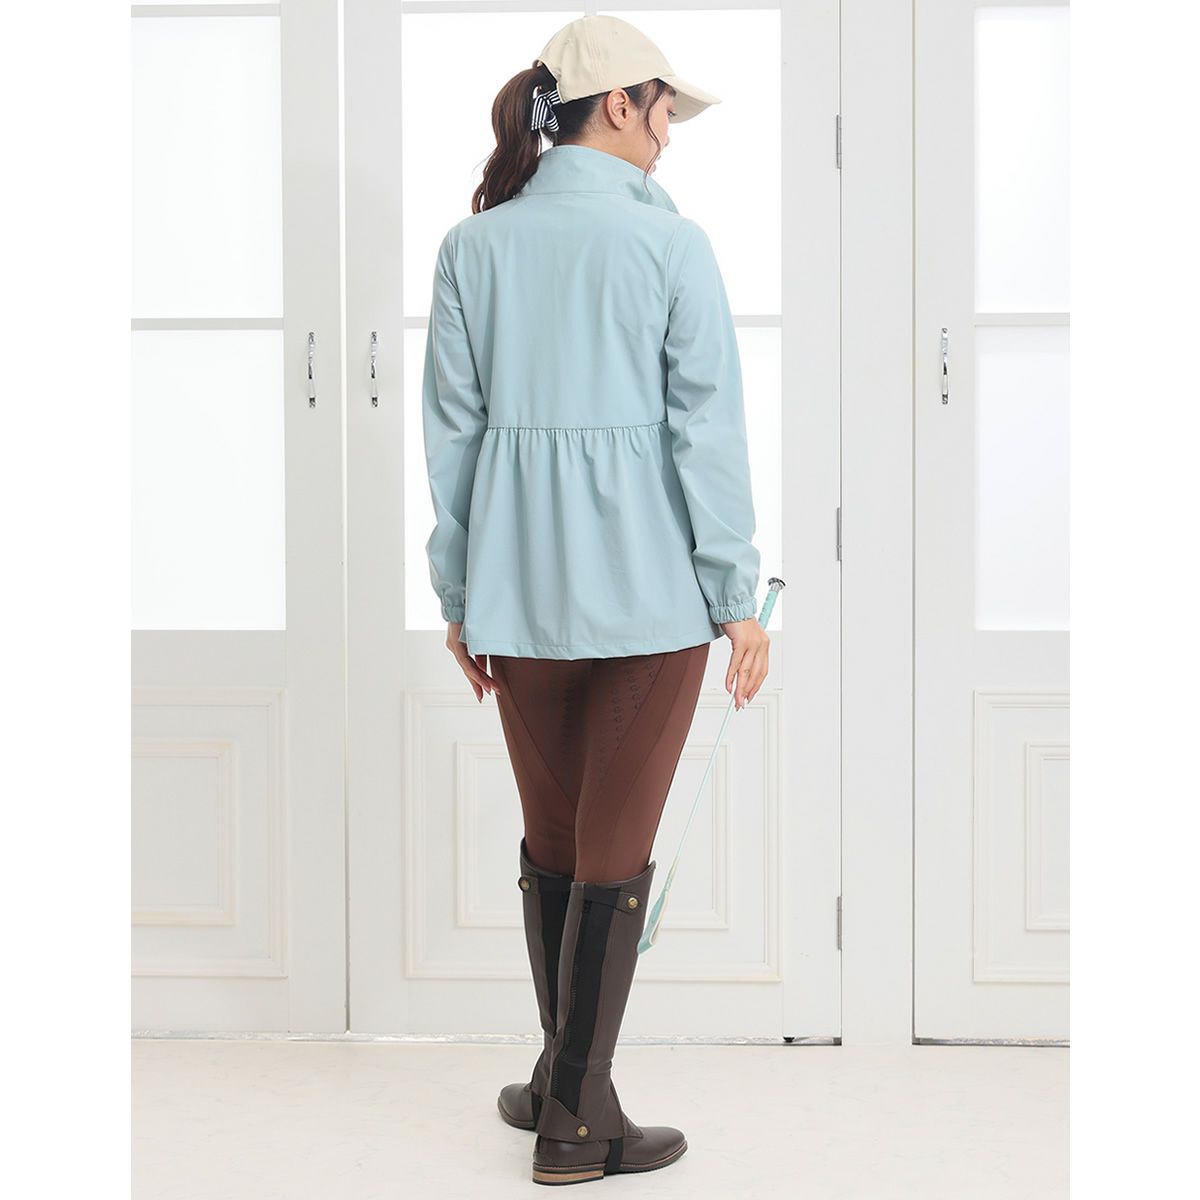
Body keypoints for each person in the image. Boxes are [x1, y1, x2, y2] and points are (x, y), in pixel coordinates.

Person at [420, 13, 769, 1186]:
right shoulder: (672, 248)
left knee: (558, 845)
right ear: (619, 103)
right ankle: (577, 1117)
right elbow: (704, 433)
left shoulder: (472, 248)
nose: (671, 133)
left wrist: (461, 594)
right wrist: (737, 596)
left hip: (517, 597)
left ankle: (563, 1074)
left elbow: (454, 440)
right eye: (666, 108)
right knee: (610, 853)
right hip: (649, 601)